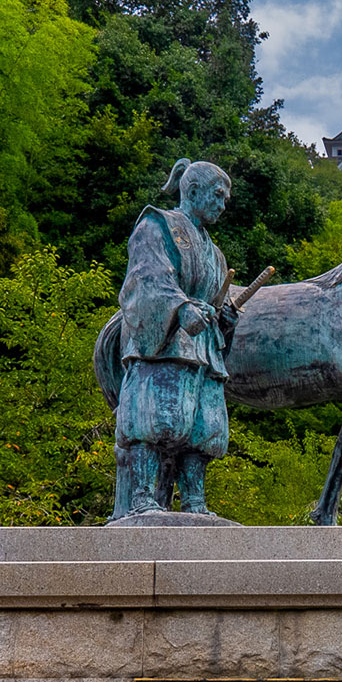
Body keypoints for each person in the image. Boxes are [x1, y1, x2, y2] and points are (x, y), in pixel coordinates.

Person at [111, 158, 239, 518]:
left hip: (202, 348)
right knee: (155, 419)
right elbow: (146, 278)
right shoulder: (157, 225)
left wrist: (225, 318)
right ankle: (142, 496)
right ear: (193, 191)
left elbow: (216, 302)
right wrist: (181, 308)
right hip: (165, 341)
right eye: (217, 195)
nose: (222, 205)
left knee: (204, 427)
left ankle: (194, 499)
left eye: (225, 199)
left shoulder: (215, 253)